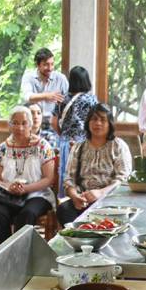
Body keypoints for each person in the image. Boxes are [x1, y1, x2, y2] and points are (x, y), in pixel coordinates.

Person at [0, 106, 55, 246]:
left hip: (37, 194)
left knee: (27, 213)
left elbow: (49, 179)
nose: (19, 127)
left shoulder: (42, 146)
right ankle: (5, 254)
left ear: (31, 125)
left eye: (24, 123)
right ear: (9, 125)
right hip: (9, 196)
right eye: (15, 123)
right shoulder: (3, 148)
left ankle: (21, 256)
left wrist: (26, 188)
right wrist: (9, 186)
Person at [58, 103, 131, 226]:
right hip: (83, 200)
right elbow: (69, 179)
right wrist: (75, 197)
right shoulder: (78, 147)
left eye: (103, 120)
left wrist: (101, 193)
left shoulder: (118, 146)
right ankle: (81, 241)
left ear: (110, 124)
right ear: (88, 123)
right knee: (63, 210)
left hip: (110, 200)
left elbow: (123, 179)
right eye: (94, 119)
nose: (98, 123)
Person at [53, 66, 97, 194]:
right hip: (85, 143)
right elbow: (95, 121)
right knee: (84, 175)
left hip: (65, 143)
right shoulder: (91, 100)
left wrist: (64, 134)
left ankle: (64, 199)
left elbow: (54, 122)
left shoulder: (62, 99)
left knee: (66, 174)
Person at [21, 47, 68, 140]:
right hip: (33, 123)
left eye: (52, 64)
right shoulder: (28, 77)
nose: (50, 68)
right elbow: (27, 97)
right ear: (38, 65)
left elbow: (68, 102)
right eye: (46, 65)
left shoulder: (61, 78)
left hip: (54, 124)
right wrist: (47, 96)